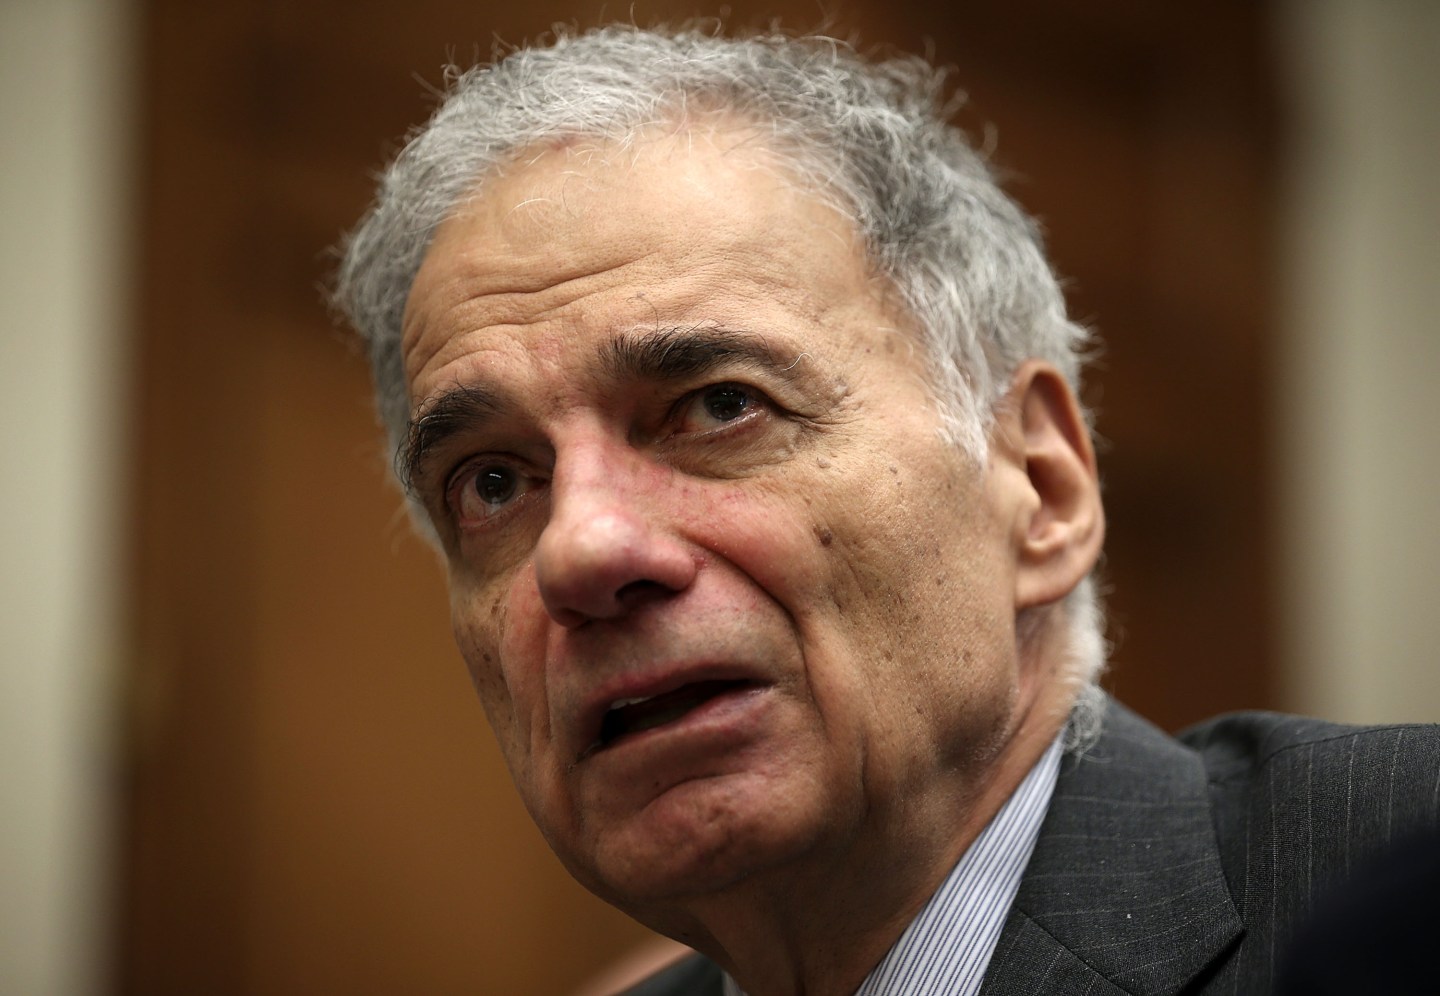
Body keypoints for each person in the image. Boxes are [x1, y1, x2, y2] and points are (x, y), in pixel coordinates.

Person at [334, 25, 1439, 996]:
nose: (579, 550)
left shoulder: (1400, 880)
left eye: (720, 406)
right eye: (492, 483)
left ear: (1041, 486)